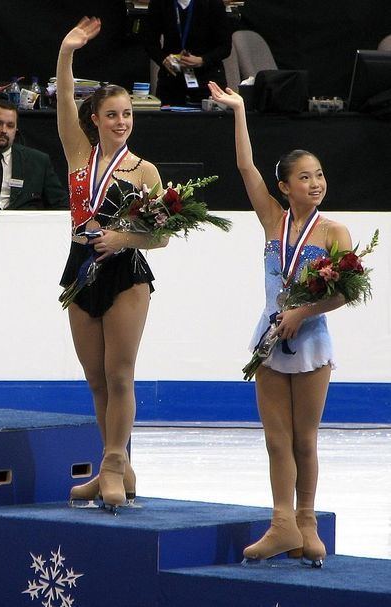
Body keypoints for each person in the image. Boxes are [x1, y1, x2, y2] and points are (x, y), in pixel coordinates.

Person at [208, 81, 352, 566]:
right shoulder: (273, 221)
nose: (315, 183)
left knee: (305, 439)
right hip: (270, 343)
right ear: (285, 186)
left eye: (320, 175)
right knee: (275, 440)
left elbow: (343, 292)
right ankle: (281, 523)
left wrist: (302, 312)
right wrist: (240, 111)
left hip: (310, 343)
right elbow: (246, 167)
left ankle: (307, 522)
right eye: (305, 177)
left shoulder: (334, 231)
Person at [57, 18, 169, 511]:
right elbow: (63, 101)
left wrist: (123, 236)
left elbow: (162, 235)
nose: (122, 121)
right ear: (95, 119)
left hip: (126, 273)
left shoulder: (144, 170)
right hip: (81, 268)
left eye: (127, 114)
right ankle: (117, 464)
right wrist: (66, 54)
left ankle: (112, 467)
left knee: (120, 374)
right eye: (113, 115)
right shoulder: (79, 153)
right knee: (96, 378)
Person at [0, 99, 68, 210]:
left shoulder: (38, 161)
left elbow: (61, 205)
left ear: (16, 129)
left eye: (10, 126)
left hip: (22, 224)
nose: (4, 130)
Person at [141, 0, 231, 105]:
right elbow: (149, 42)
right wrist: (163, 59)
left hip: (207, 79)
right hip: (172, 77)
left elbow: (225, 47)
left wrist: (202, 60)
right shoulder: (160, 3)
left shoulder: (213, 3)